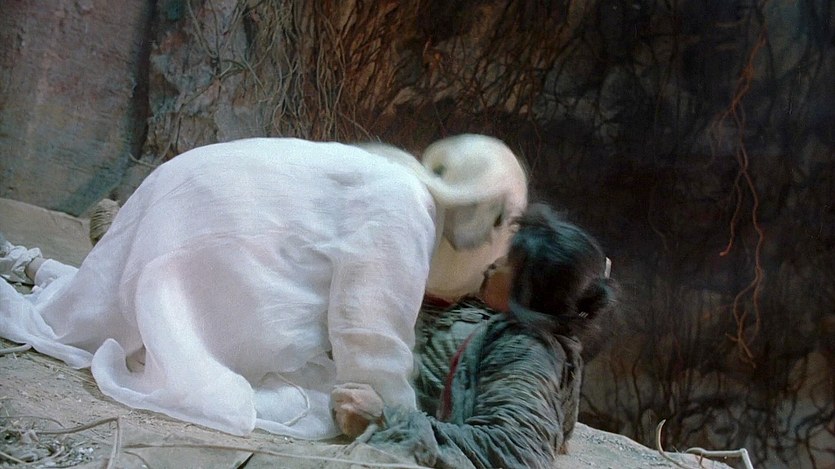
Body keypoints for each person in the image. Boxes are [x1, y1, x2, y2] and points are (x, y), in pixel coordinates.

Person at [0, 134, 527, 439]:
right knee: (316, 405)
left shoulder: (391, 179)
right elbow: (370, 340)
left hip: (177, 206)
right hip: (192, 230)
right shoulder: (406, 205)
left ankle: (57, 276)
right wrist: (400, 419)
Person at [331, 203, 618, 468]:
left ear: (530, 290)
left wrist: (384, 420)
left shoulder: (528, 351)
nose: (494, 264)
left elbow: (513, 452)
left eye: (508, 262)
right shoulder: (521, 328)